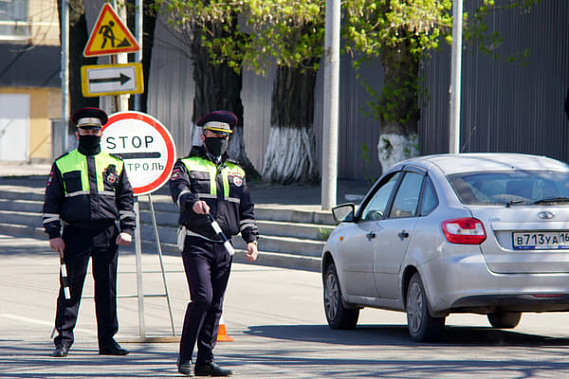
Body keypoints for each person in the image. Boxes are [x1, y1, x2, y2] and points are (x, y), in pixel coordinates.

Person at [169, 110, 259, 377]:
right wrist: (190, 202)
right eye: (214, 135)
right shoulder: (186, 165)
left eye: (224, 136)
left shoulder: (236, 171)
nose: (219, 139)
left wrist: (251, 239)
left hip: (225, 245)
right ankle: (185, 357)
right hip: (197, 241)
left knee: (216, 304)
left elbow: (246, 209)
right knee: (202, 298)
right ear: (203, 135)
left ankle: (205, 360)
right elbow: (178, 189)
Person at [42, 107, 136, 357]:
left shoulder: (115, 163)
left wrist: (127, 229)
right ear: (77, 133)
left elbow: (126, 199)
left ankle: (107, 341)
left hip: (107, 233)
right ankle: (63, 339)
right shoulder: (63, 163)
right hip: (74, 233)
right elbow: (52, 201)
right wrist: (54, 233)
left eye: (95, 130)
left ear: (101, 132)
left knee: (107, 290)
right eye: (85, 130)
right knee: (69, 289)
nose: (90, 133)